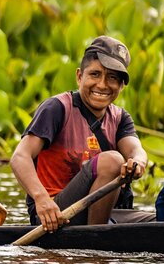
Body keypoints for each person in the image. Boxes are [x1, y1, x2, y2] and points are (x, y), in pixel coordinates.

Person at [10, 35, 155, 231]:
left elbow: (136, 150)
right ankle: (95, 244)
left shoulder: (120, 118)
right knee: (112, 160)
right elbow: (20, 157)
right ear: (80, 76)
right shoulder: (57, 108)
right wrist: (41, 199)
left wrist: (138, 162)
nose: (102, 85)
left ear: (121, 86)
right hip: (55, 213)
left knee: (162, 219)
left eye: (112, 78)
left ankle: (102, 231)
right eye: (95, 74)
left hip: (103, 210)